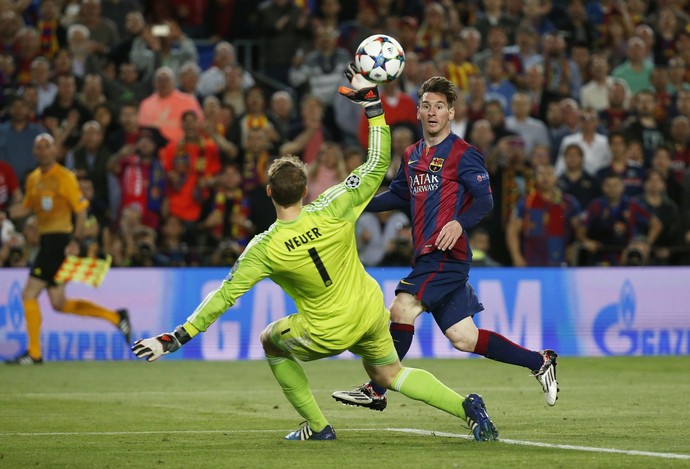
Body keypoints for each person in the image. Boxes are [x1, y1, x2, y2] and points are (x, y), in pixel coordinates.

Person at [131, 66, 499, 442]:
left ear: (270, 193)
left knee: (269, 340)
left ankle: (319, 427)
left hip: (328, 329)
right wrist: (372, 105)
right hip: (370, 310)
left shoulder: (264, 248)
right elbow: (376, 162)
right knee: (390, 374)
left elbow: (224, 297)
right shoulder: (334, 203)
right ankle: (466, 407)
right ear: (306, 188)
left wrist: (176, 337)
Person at [332, 76, 559, 413]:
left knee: (401, 308)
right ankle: (539, 361)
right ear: (419, 112)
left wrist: (458, 222)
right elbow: (398, 195)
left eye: (440, 106)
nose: (433, 112)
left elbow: (485, 201)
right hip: (429, 256)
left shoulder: (464, 154)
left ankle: (377, 388)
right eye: (426, 106)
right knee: (464, 337)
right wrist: (354, 205)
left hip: (445, 255)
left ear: (451, 113)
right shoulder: (411, 154)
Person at [5, 133, 131, 366]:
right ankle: (115, 316)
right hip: (46, 241)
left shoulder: (64, 177)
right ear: (34, 152)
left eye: (47, 147)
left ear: (55, 151)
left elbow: (81, 210)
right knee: (59, 303)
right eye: (39, 147)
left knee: (28, 294)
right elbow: (27, 208)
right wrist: (6, 213)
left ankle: (34, 354)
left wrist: (76, 240)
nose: (42, 151)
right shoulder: (33, 179)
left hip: (60, 241)